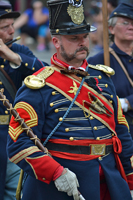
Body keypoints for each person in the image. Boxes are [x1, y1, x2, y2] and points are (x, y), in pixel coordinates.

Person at [7, 0, 133, 199]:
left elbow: (121, 134)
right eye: (74, 38)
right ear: (56, 42)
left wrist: (130, 179)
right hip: (63, 186)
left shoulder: (103, 80)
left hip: (109, 183)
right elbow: (19, 143)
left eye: (85, 36)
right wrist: (56, 173)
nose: (82, 42)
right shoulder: (38, 85)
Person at [0, 1, 48, 200]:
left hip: (12, 134)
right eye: (5, 27)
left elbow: (47, 74)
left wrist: (14, 57)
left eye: (12, 25)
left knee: (14, 193)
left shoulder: (19, 51)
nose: (13, 30)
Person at [88, 3, 133, 140]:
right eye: (125, 23)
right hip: (119, 134)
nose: (131, 27)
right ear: (111, 29)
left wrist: (126, 102)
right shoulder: (98, 60)